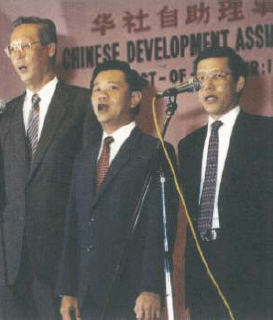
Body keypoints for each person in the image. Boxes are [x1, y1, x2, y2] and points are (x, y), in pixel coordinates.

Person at [0, 16, 100, 319]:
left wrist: (77, 267)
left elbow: (90, 190)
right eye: (12, 49)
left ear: (49, 49)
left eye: (26, 46)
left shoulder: (81, 103)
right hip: (12, 261)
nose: (18, 55)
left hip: (61, 259)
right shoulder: (4, 115)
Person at [56, 60, 177, 320]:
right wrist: (68, 289)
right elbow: (73, 226)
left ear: (134, 98)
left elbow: (161, 228)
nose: (101, 94)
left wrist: (151, 287)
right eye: (96, 89)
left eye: (111, 87)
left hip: (132, 295)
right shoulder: (83, 159)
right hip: (86, 294)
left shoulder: (155, 152)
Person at [178, 46, 273, 319]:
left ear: (239, 82)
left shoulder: (265, 133)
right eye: (201, 78)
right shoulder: (189, 145)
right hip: (203, 269)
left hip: (254, 270)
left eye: (217, 76)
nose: (207, 84)